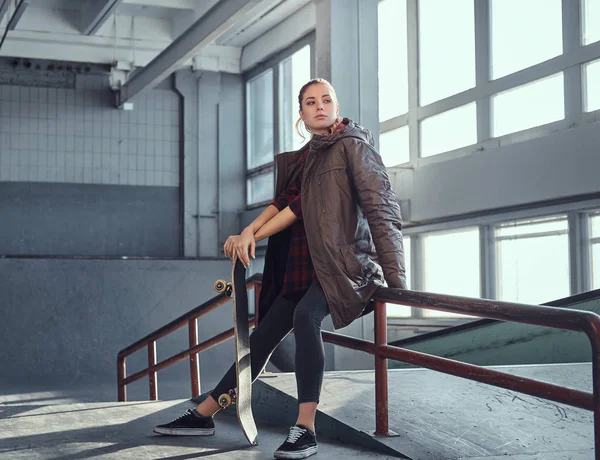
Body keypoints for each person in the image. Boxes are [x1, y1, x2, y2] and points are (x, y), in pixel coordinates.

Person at [153, 78, 407, 459]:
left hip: (340, 265)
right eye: (310, 102)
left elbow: (381, 208)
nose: (319, 107)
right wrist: (246, 232)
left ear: (336, 107)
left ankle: (305, 428)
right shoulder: (309, 154)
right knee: (263, 335)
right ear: (301, 115)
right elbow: (286, 204)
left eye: (326, 100)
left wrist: (396, 277)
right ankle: (204, 414)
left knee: (307, 317)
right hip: (304, 264)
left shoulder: (353, 147)